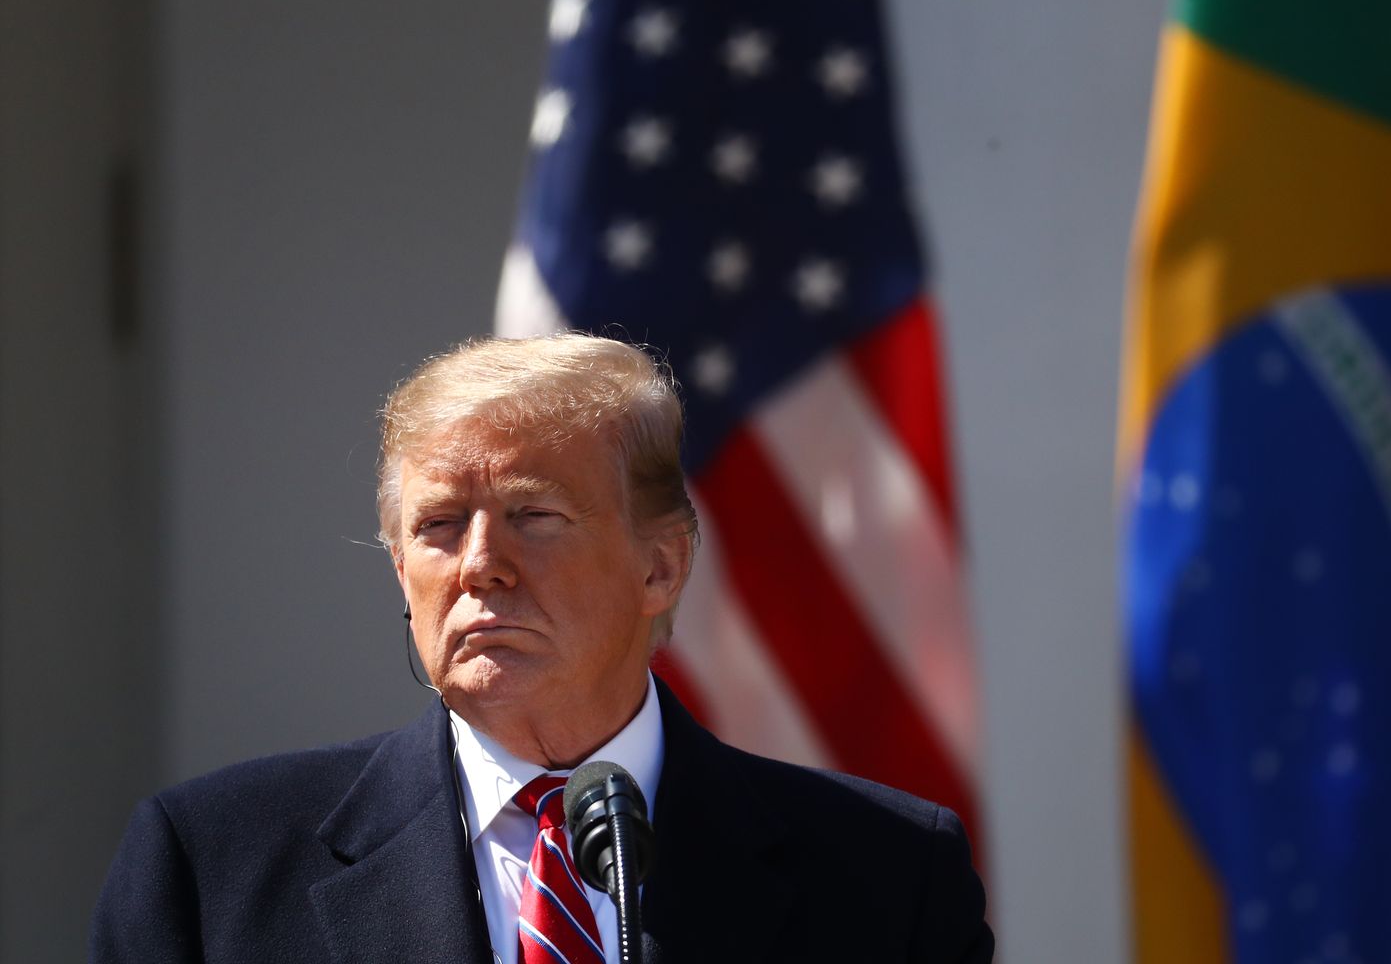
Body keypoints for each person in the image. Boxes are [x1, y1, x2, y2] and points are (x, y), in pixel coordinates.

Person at [91, 334, 993, 963]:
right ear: (402, 570)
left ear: (661, 566)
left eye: (534, 516)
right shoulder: (212, 870)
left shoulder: (886, 877)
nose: (482, 565)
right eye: (440, 526)